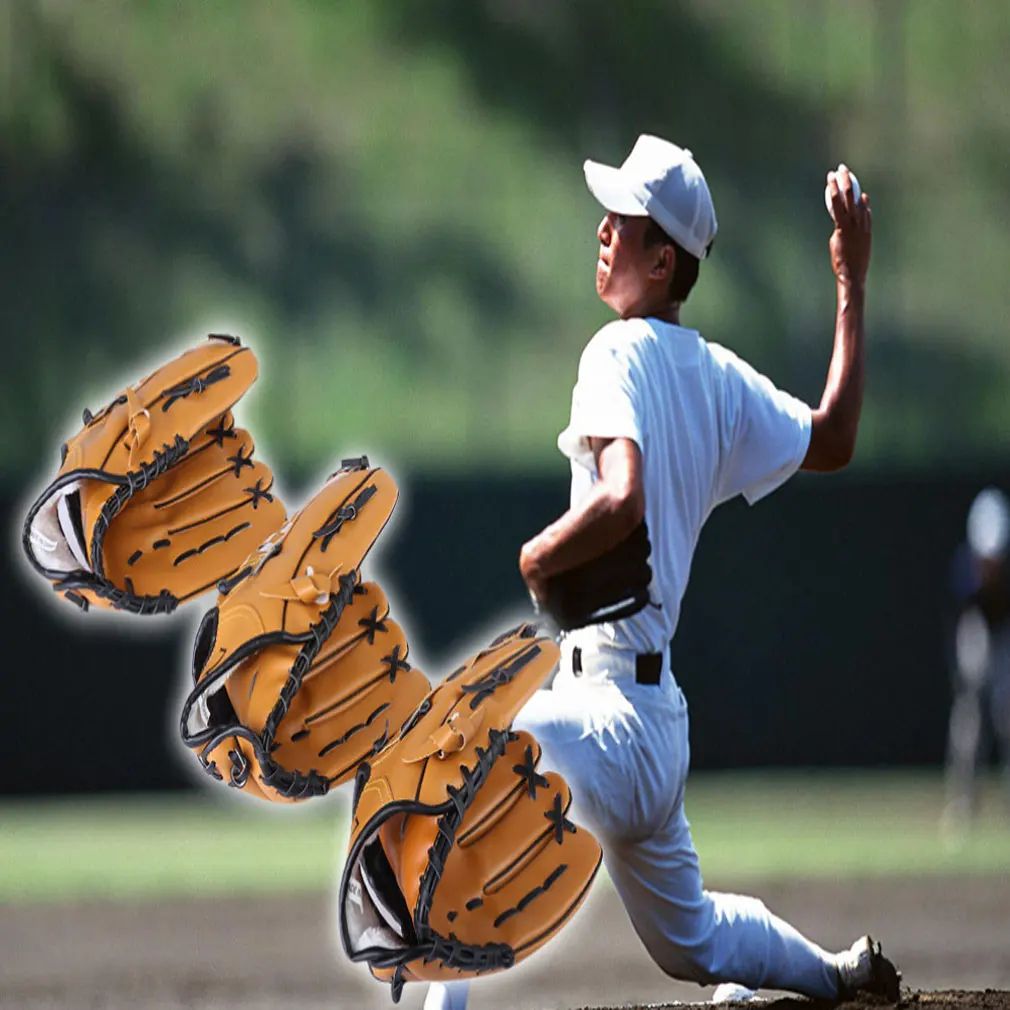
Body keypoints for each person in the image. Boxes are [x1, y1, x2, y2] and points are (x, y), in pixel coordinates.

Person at [423, 135, 897, 1010]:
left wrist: (537, 555)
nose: (603, 230)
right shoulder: (715, 377)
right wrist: (851, 285)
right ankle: (839, 975)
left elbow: (624, 496)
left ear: (662, 256)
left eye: (625, 221)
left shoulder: (614, 353)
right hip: (653, 727)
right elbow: (834, 438)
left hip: (602, 721)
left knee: (468, 779)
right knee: (698, 943)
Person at [942, 486, 1010, 832]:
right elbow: (967, 623)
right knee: (969, 718)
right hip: (980, 630)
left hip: (1005, 633)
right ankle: (964, 803)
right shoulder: (966, 568)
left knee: (1006, 711)